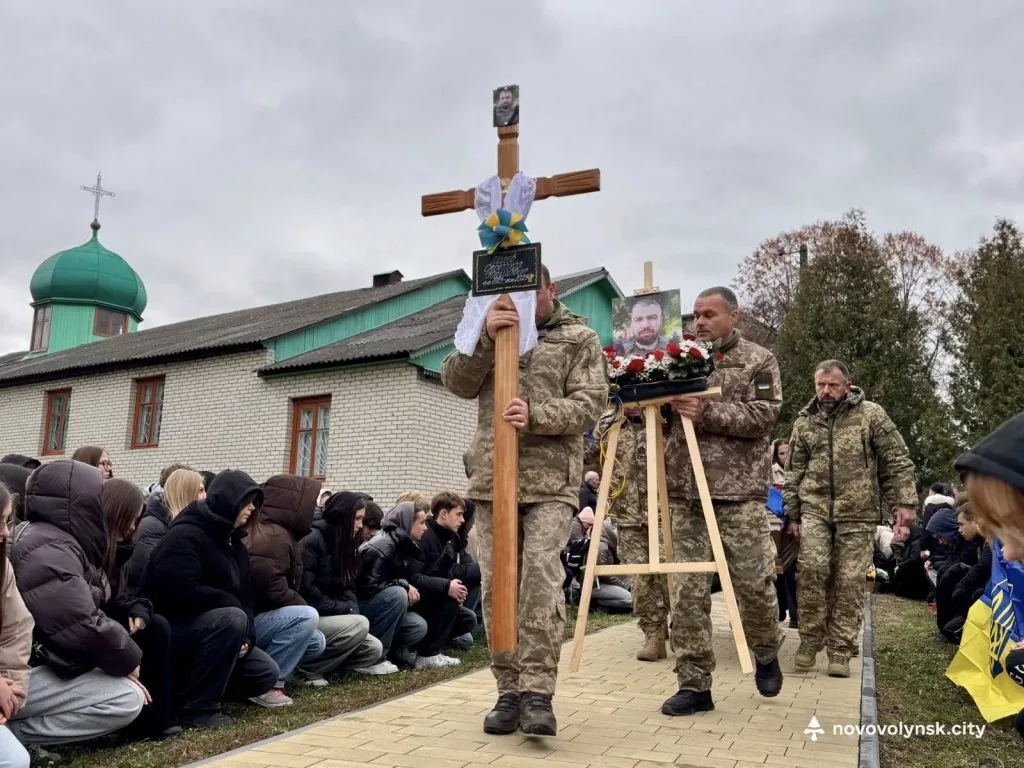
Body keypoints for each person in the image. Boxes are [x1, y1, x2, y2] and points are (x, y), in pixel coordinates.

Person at [441, 264, 607, 736]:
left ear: (551, 290)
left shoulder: (578, 338)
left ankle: (538, 692)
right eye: (509, 294)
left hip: (549, 481)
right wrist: (487, 339)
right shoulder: (489, 324)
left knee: (538, 575)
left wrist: (537, 414)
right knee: (497, 583)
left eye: (529, 293)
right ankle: (506, 690)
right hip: (493, 477)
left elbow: (591, 403)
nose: (517, 303)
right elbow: (456, 380)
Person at [661, 286, 784, 716]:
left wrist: (707, 412)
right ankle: (694, 684)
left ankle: (765, 649)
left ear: (734, 316)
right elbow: (664, 417)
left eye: (709, 314)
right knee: (687, 592)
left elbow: (765, 415)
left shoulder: (760, 360)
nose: (700, 322)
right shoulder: (678, 359)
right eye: (695, 315)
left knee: (752, 583)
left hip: (738, 493)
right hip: (686, 491)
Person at [784, 360, 918, 678]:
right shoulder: (804, 422)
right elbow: (793, 472)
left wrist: (905, 503)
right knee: (811, 572)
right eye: (821, 384)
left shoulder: (870, 415)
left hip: (857, 514)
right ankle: (809, 641)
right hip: (814, 510)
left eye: (833, 384)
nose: (826, 391)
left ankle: (841, 648)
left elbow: (896, 461)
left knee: (849, 579)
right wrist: (792, 513)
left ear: (847, 384)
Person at [8, 461, 146, 747]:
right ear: (80, 502)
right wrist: (128, 660)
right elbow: (81, 623)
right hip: (17, 672)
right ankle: (15, 738)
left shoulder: (55, 540)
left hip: (25, 665)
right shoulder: (50, 547)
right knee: (125, 699)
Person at [139, 470, 279, 727]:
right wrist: (230, 608)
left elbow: (246, 599)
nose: (251, 508)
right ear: (229, 500)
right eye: (246, 500)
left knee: (265, 672)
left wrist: (246, 638)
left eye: (254, 502)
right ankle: (198, 708)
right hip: (174, 630)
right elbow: (177, 592)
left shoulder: (234, 544)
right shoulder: (186, 534)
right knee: (231, 618)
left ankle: (195, 690)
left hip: (219, 630)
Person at [243, 474, 325, 701]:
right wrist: (304, 608)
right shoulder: (273, 536)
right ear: (296, 504)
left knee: (316, 640)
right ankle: (267, 684)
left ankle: (267, 670)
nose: (315, 508)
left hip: (259, 616)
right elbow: (272, 590)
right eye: (311, 502)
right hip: (252, 619)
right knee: (306, 618)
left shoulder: (282, 533)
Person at [298, 491, 393, 677]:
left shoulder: (348, 544)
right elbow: (308, 592)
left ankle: (333, 667)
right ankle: (308, 669)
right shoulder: (311, 541)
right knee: (359, 624)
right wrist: (345, 610)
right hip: (315, 615)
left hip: (336, 613)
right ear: (343, 516)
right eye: (357, 519)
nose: (360, 525)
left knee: (374, 648)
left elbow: (349, 586)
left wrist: (351, 608)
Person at [356, 502, 429, 666]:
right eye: (421, 522)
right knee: (397, 595)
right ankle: (374, 659)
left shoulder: (401, 544)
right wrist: (403, 585)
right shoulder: (382, 546)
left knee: (417, 626)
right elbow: (368, 587)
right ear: (408, 522)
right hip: (360, 609)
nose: (425, 528)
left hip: (377, 605)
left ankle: (395, 654)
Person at [0, 481, 32, 768]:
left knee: (16, 759)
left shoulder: (2, 568)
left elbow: (16, 632)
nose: (6, 532)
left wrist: (10, 696)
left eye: (8, 520)